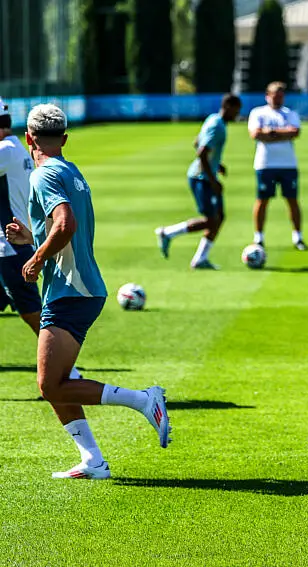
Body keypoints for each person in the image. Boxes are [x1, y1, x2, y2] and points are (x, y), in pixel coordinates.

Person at [5, 104, 171, 479]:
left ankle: (144, 400)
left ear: (29, 137)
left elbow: (65, 224)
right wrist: (30, 237)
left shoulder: (43, 174)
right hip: (81, 288)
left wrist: (33, 260)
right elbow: (64, 231)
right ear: (64, 139)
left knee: (50, 384)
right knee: (54, 384)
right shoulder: (70, 170)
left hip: (71, 291)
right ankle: (92, 461)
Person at [0, 97, 86, 380]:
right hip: (11, 244)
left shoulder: (5, 150)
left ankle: (67, 370)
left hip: (9, 248)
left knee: (32, 312)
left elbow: (65, 223)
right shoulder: (16, 149)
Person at [155, 94, 242, 269]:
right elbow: (201, 152)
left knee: (219, 217)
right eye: (236, 110)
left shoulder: (213, 119)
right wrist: (213, 180)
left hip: (206, 175)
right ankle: (167, 233)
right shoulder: (217, 126)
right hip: (201, 179)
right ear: (229, 107)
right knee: (211, 220)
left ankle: (201, 259)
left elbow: (197, 142)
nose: (237, 114)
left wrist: (217, 165)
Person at [247, 82, 306, 250]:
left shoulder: (290, 113)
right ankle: (258, 237)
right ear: (268, 96)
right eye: (275, 96)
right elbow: (255, 134)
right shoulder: (258, 113)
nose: (278, 99)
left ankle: (298, 237)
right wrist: (281, 134)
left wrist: (270, 133)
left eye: (281, 96)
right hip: (265, 164)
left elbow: (294, 132)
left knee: (292, 200)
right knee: (262, 200)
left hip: (288, 164)